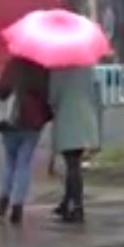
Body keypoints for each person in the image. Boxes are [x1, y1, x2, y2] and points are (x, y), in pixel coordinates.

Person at [0, 57, 51, 224]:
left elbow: (1, 91)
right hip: (32, 123)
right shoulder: (43, 68)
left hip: (11, 122)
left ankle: (3, 200)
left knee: (10, 161)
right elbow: (48, 98)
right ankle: (17, 206)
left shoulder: (13, 64)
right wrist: (44, 118)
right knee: (24, 164)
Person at [49, 65, 101, 224]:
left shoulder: (57, 71)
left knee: (72, 166)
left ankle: (76, 207)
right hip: (86, 120)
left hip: (67, 121)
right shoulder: (88, 70)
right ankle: (67, 202)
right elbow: (97, 97)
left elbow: (52, 99)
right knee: (74, 164)